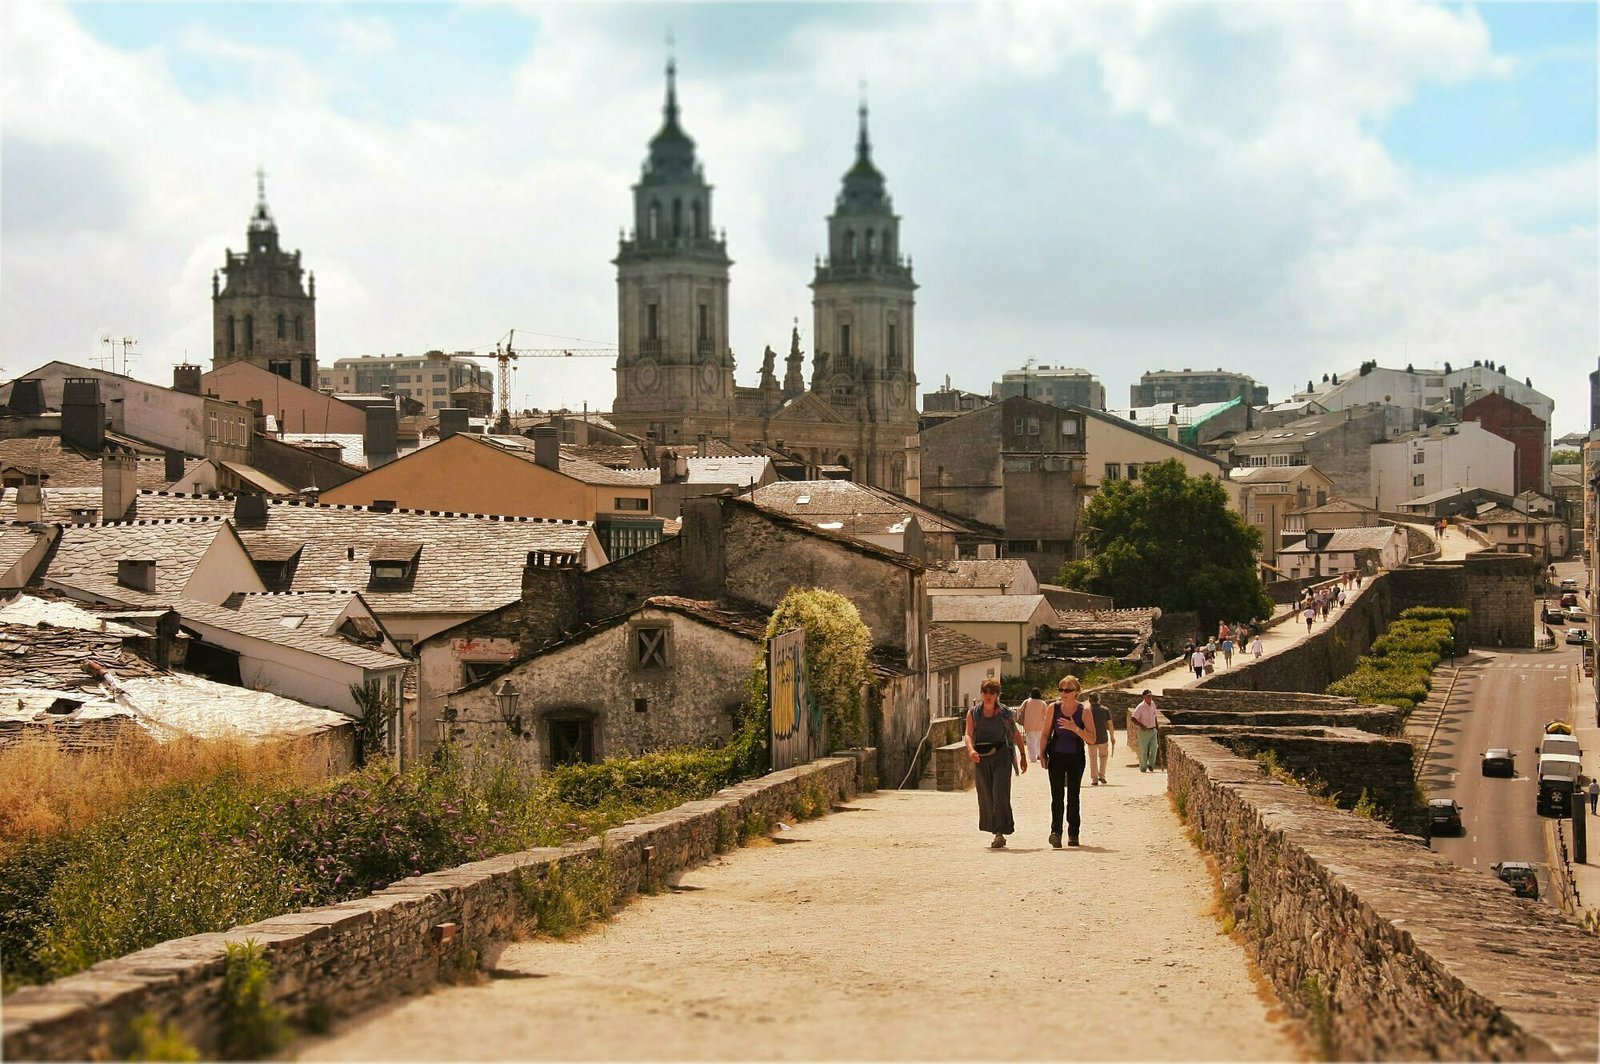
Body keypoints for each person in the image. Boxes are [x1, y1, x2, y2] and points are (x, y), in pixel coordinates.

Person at [965, 678, 1027, 848]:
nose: (988, 695)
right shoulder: (974, 713)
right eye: (985, 692)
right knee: (986, 795)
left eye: (992, 692)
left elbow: (1015, 734)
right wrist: (971, 750)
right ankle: (994, 829)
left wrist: (1022, 755)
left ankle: (999, 833)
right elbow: (968, 734)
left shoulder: (1005, 713)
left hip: (1002, 756)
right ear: (981, 694)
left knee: (1000, 793)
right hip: (981, 757)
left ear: (997, 695)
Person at [1042, 675, 1095, 847]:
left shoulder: (1084, 711)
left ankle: (1074, 833)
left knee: (1073, 796)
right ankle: (1055, 832)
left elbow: (1092, 739)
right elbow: (1045, 733)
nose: (1063, 693)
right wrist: (1042, 754)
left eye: (1068, 690)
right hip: (1056, 756)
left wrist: (1075, 728)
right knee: (1056, 796)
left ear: (1076, 692)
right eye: (1061, 689)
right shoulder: (1053, 708)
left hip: (1075, 757)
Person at [1017, 687, 1051, 764]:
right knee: (1039, 741)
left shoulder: (1027, 701)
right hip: (1040, 725)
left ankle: (1033, 757)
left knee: (1031, 741)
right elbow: (1046, 714)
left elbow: (1020, 709)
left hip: (1029, 725)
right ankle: (1039, 755)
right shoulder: (1042, 703)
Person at [1086, 693, 1113, 786]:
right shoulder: (1105, 710)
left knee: (1093, 759)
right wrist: (1112, 736)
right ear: (1098, 699)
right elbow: (1110, 724)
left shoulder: (1087, 710)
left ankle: (1094, 779)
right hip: (1103, 737)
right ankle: (1102, 775)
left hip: (1090, 738)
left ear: (1089, 700)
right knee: (1103, 757)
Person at [1131, 689, 1159, 772]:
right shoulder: (1140, 707)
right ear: (1144, 697)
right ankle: (1143, 768)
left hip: (1153, 730)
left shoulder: (1153, 704)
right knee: (1143, 750)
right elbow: (1133, 718)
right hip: (1144, 731)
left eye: (1151, 696)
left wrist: (1157, 727)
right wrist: (1142, 726)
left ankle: (1151, 764)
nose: (1150, 698)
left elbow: (1155, 716)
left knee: (1154, 748)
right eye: (1148, 696)